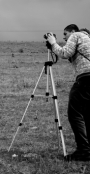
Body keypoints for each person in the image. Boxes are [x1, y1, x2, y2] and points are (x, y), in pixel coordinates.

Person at [46, 24, 90, 161]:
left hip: (86, 78)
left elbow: (65, 53)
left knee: (74, 114)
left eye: (65, 34)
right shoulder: (87, 38)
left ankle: (84, 150)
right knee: (87, 114)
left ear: (72, 31)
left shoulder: (76, 35)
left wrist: (53, 43)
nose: (64, 38)